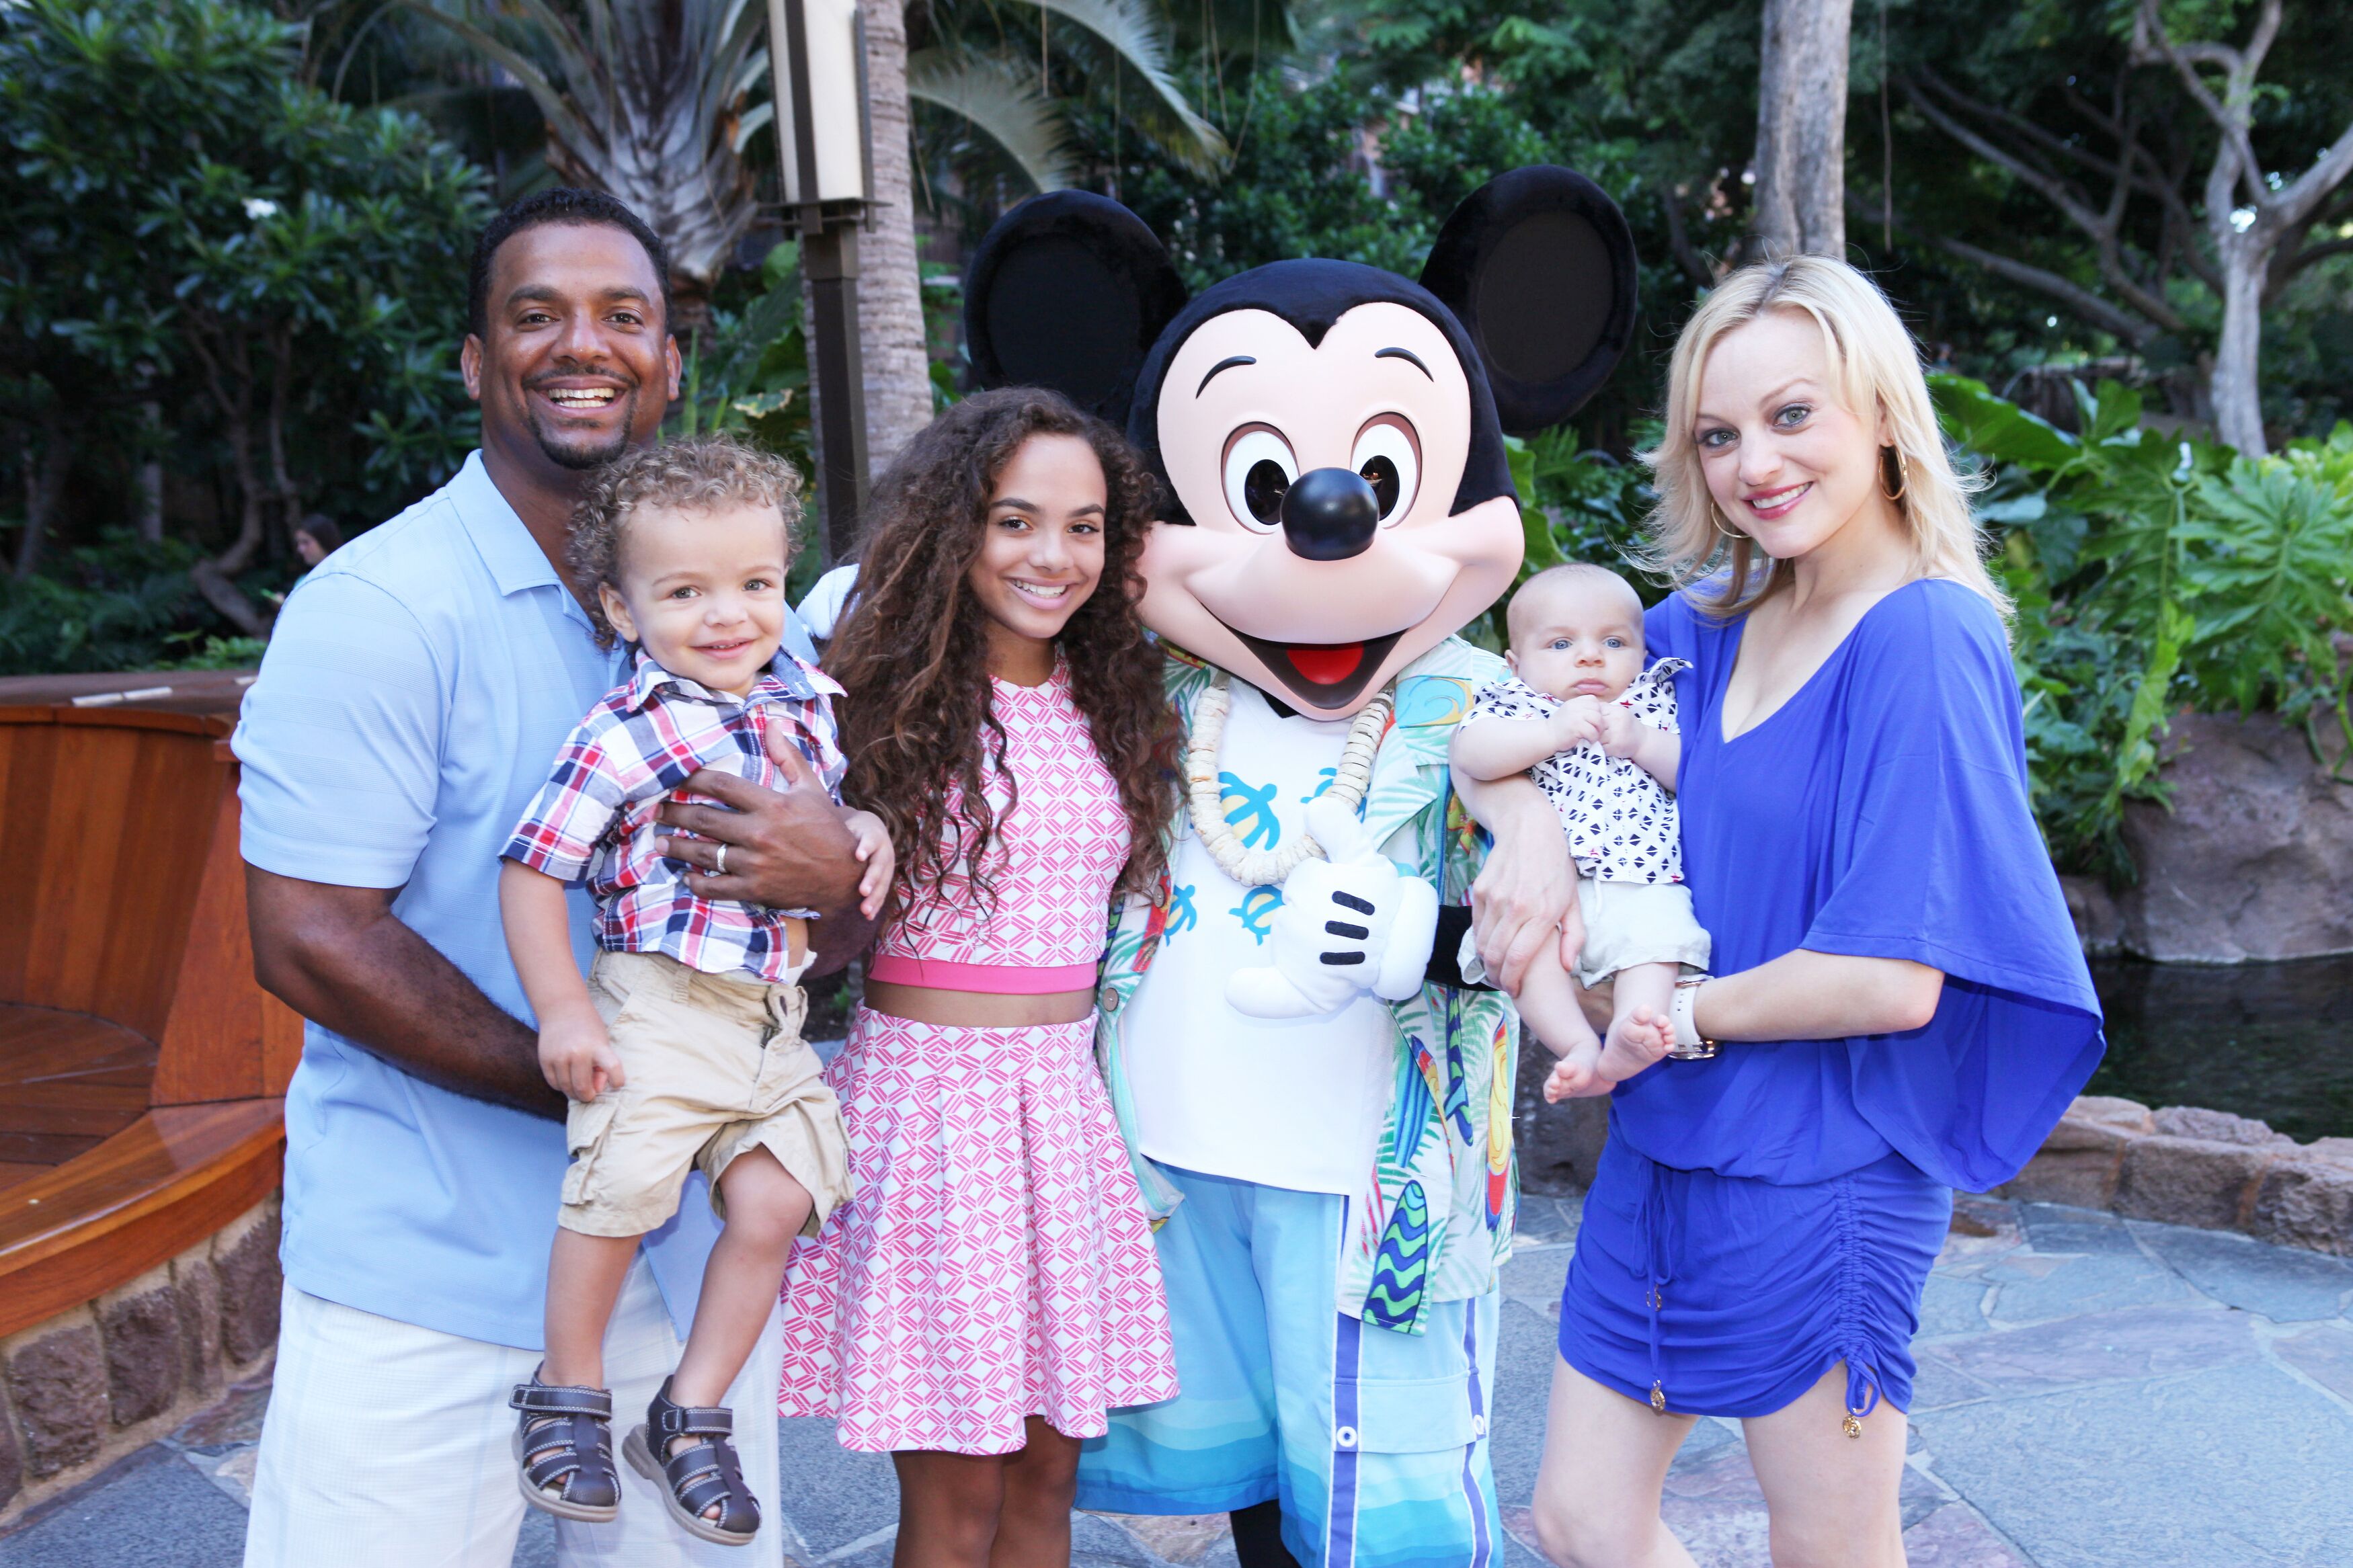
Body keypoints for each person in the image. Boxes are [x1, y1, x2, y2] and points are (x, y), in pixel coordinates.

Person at [234, 188, 872, 1568]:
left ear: (671, 361)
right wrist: (599, 1086)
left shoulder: (751, 628)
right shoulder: (377, 609)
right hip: (432, 1269)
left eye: (624, 316)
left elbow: (801, 921)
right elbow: (307, 936)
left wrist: (835, 877)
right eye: (537, 315)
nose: (584, 344)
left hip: (691, 1267)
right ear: (476, 363)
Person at [1460, 255, 2102, 1568]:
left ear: (1878, 412)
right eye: (1718, 432)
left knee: (1827, 1544)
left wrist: (1672, 1011)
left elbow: (1889, 977)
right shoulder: (1690, 627)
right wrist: (1523, 822)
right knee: (1577, 1520)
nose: (1754, 460)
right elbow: (1537, 751)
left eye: (1791, 414)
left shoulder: (1925, 635)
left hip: (1829, 1151)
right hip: (1663, 1136)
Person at [776, 388, 1182, 1568]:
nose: (1052, 555)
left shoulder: (1116, 696)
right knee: (957, 1501)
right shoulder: (870, 699)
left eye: (1085, 525)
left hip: (1063, 1110)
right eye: (1015, 520)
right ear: (955, 527)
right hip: (936, 1111)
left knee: (1052, 1482)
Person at [500, 435, 891, 1543]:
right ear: (625, 612)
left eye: (756, 584)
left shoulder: (805, 701)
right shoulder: (627, 732)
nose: (729, 614)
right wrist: (566, 1008)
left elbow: (832, 815)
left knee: (779, 1200)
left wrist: (865, 830)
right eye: (686, 591)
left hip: (769, 1016)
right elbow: (535, 867)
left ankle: (691, 1406)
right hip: (662, 999)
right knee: (623, 1186)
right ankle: (567, 1390)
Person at [1450, 562, 1710, 1098]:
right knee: (1525, 956)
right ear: (1516, 663)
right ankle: (1575, 1044)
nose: (1590, 655)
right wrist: (1548, 732)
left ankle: (1627, 1035)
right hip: (1546, 890)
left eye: (1614, 641)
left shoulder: (1651, 704)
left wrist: (1642, 742)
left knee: (1656, 945)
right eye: (1561, 643)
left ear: (1642, 654)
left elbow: (1696, 776)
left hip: (1643, 879)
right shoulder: (1519, 704)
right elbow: (1472, 753)